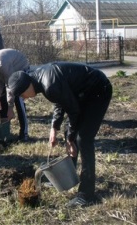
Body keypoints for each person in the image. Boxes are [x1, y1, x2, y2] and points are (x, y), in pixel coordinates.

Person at [8, 62, 112, 207]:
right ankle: (68, 176)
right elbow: (60, 100)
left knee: (83, 140)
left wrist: (70, 139)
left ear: (27, 87)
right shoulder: (40, 78)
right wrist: (54, 128)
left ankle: (87, 195)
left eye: (22, 95)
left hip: (98, 91)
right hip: (83, 93)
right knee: (69, 132)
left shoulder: (49, 85)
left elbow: (73, 110)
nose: (25, 98)